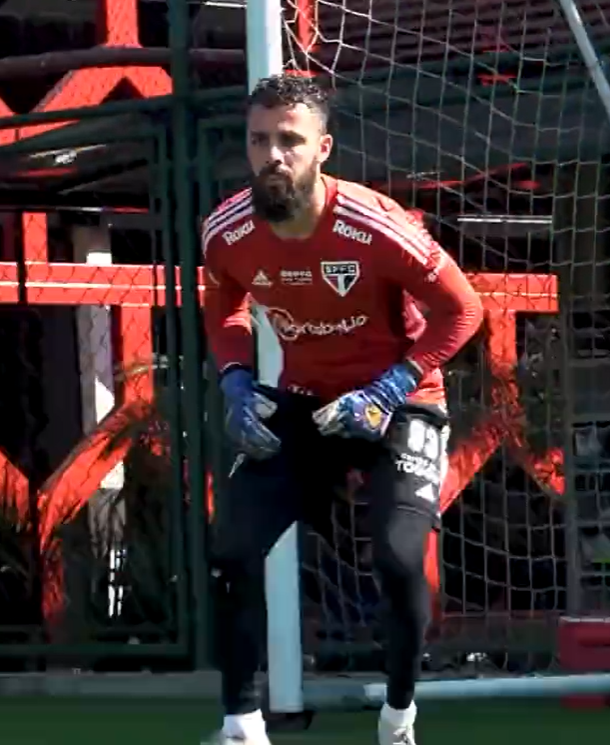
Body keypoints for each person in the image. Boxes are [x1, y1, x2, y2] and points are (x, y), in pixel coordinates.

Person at [199, 73, 485, 745]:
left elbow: (463, 308)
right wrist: (237, 380)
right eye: (259, 140)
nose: (273, 154)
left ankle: (398, 717)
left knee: (395, 557)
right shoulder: (225, 230)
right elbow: (224, 306)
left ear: (322, 148)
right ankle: (241, 727)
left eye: (290, 140)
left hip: (401, 402)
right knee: (232, 551)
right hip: (304, 404)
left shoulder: (375, 224)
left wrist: (389, 390)